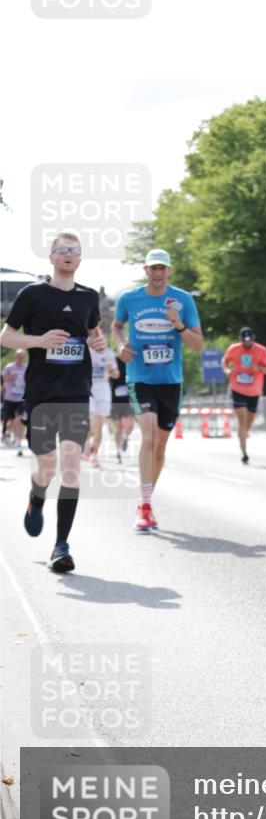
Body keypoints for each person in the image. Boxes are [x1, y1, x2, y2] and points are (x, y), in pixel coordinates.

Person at [0, 232, 106, 571]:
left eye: (74, 251)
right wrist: (40, 341)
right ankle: (36, 496)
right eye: (62, 250)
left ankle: (61, 546)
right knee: (47, 465)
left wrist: (99, 343)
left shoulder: (89, 298)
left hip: (77, 391)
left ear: (80, 259)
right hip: (41, 393)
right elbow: (6, 337)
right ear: (51, 257)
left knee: (72, 466)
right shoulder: (33, 295)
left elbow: (93, 333)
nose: (68, 255)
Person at [112, 248, 203, 532]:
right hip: (140, 377)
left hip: (171, 381)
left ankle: (148, 499)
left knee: (161, 446)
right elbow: (116, 327)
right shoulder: (129, 299)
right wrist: (120, 345)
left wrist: (177, 324)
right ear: (145, 270)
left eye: (162, 268)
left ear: (169, 271)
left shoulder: (184, 300)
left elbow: (198, 344)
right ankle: (144, 504)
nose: (157, 273)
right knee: (149, 436)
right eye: (153, 268)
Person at [222, 327, 266, 463]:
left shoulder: (261, 350)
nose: (247, 344)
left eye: (249, 342)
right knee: (242, 420)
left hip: (254, 390)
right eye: (245, 342)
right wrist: (227, 370)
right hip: (237, 388)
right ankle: (244, 451)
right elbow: (225, 360)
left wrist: (260, 369)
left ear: (253, 339)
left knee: (248, 422)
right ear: (240, 339)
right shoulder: (233, 348)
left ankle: (243, 435)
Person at [83, 342, 119, 467]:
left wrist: (112, 370)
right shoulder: (87, 352)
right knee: (91, 424)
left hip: (103, 393)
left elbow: (116, 374)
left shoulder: (109, 354)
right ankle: (87, 443)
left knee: (99, 427)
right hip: (89, 391)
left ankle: (94, 454)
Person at [109, 357, 135, 464]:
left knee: (130, 424)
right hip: (115, 401)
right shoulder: (112, 361)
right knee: (117, 428)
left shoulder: (132, 360)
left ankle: (125, 437)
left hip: (129, 400)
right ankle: (118, 451)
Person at [1, 348, 28, 455]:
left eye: (22, 356)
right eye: (18, 356)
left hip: (21, 398)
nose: (20, 358)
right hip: (9, 398)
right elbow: (2, 379)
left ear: (24, 357)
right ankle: (7, 434)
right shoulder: (9, 367)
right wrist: (9, 377)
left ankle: (18, 443)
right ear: (15, 356)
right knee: (10, 421)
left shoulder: (26, 368)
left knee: (19, 420)